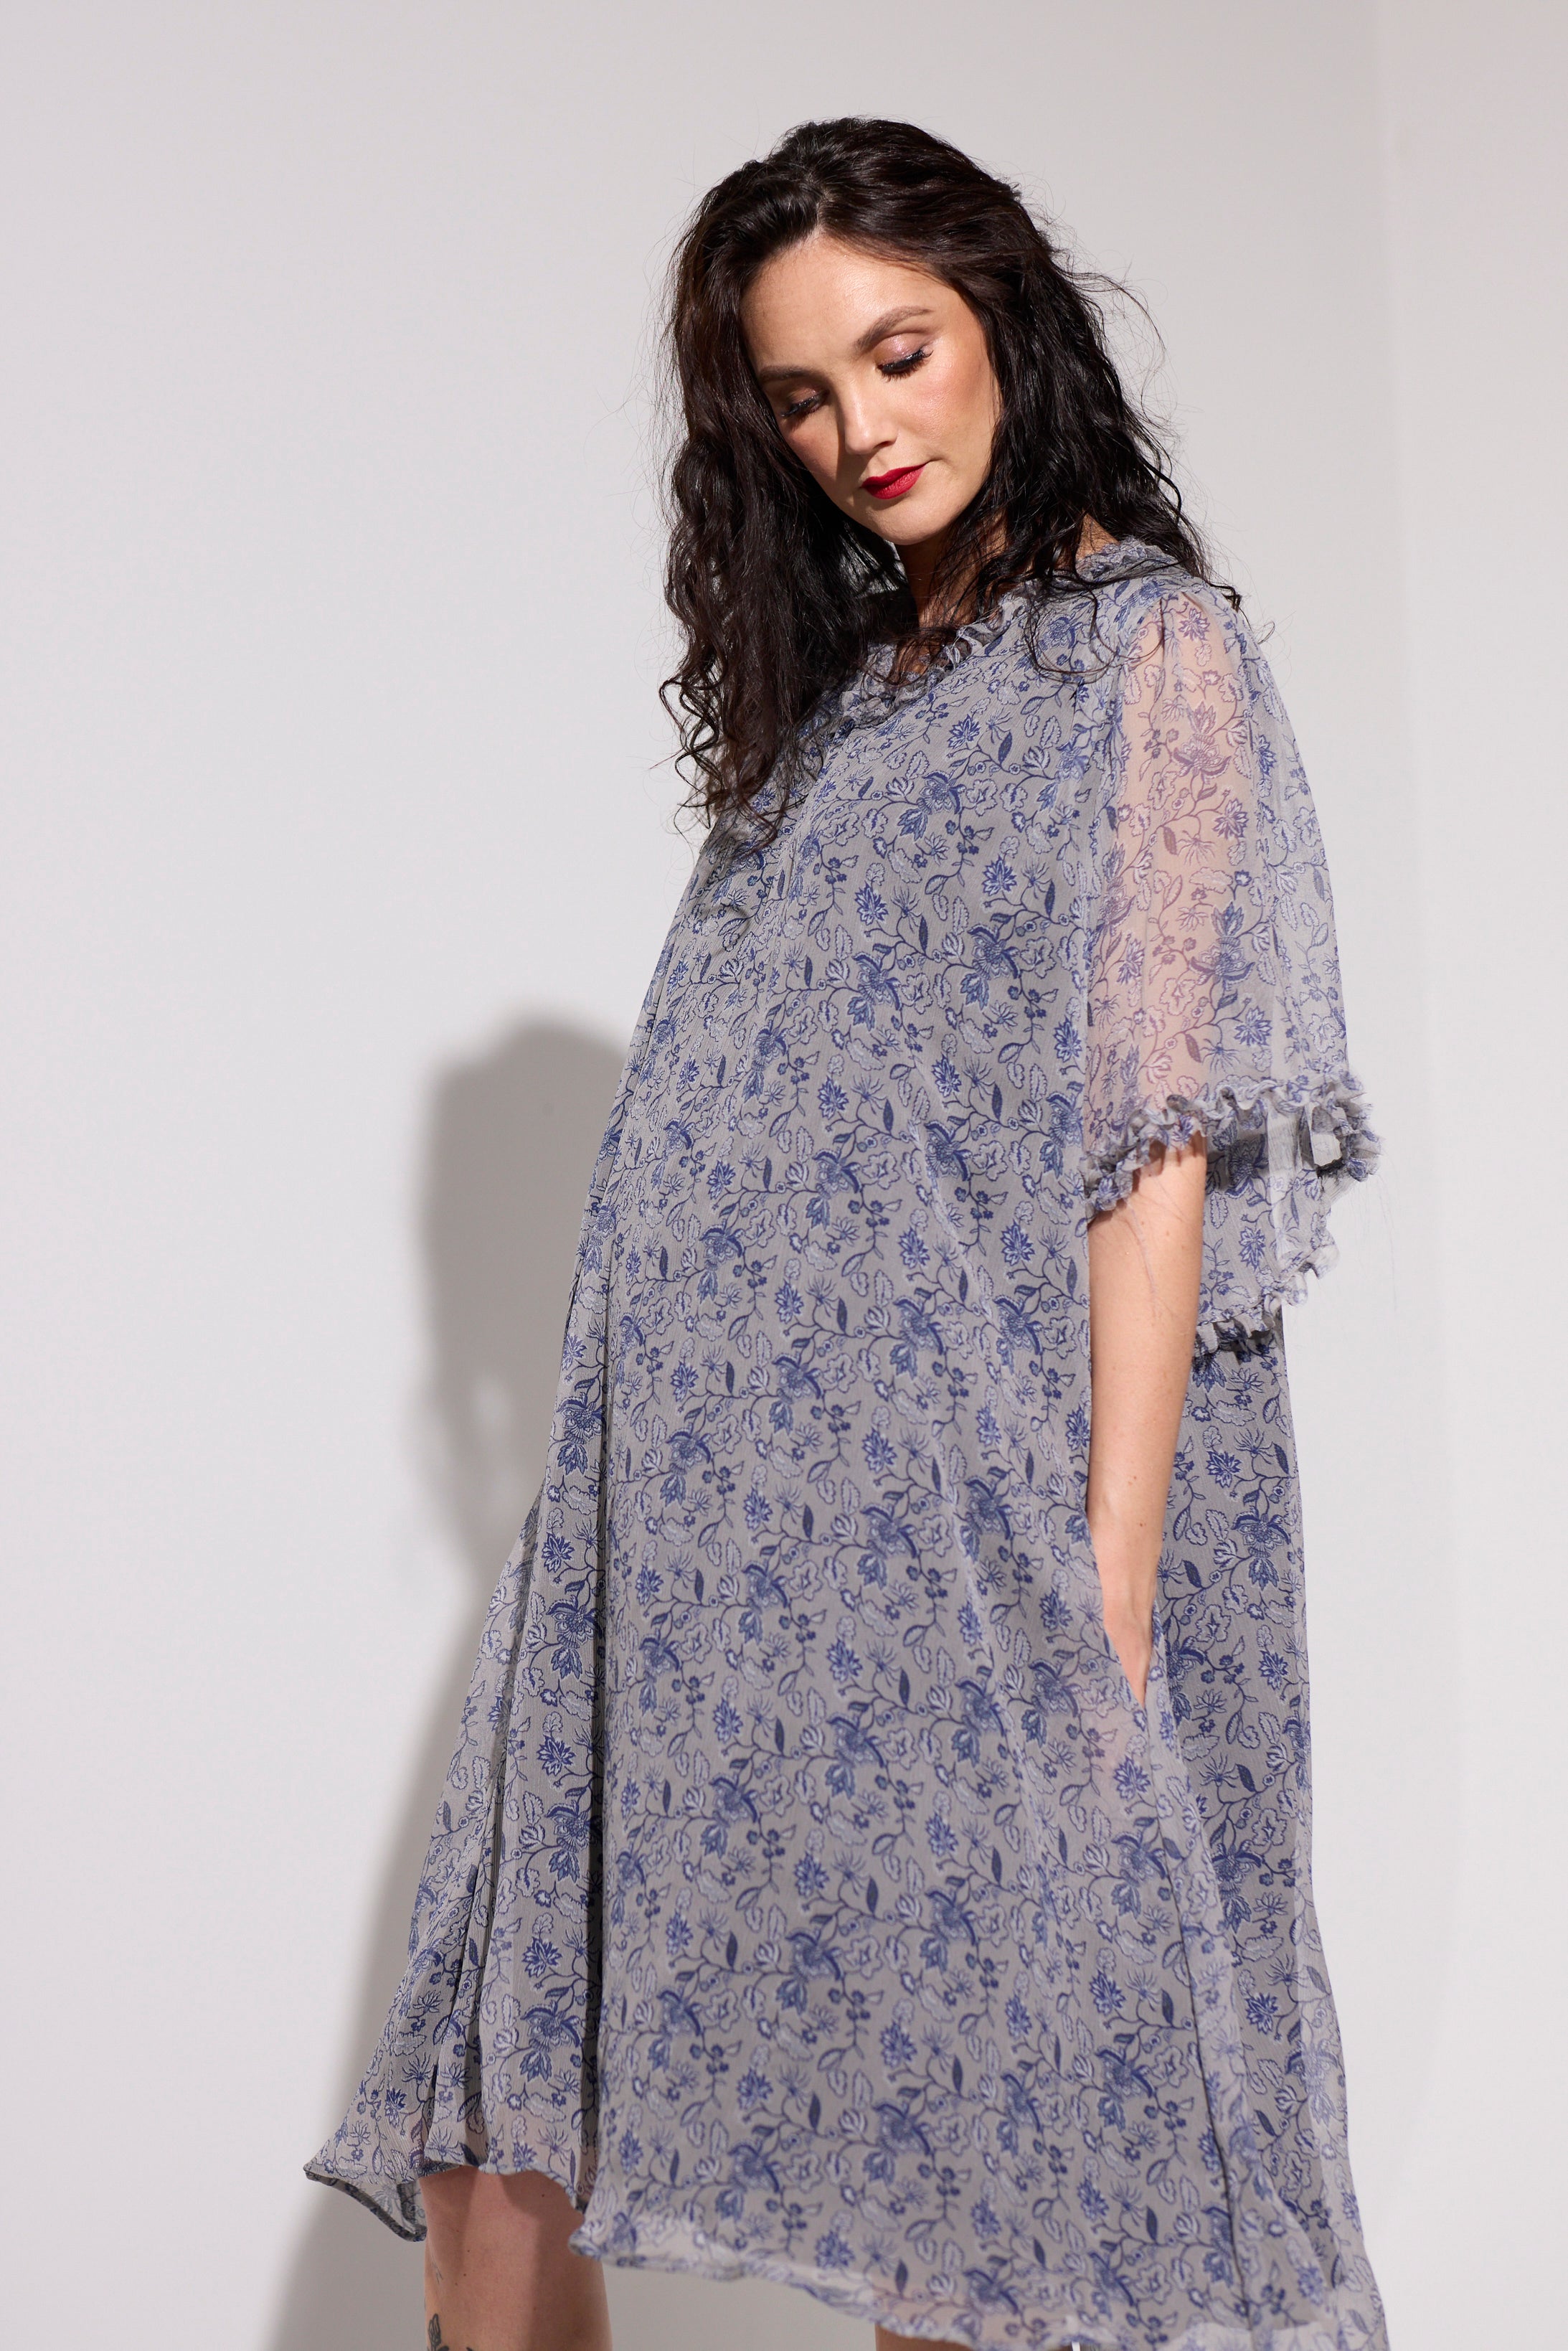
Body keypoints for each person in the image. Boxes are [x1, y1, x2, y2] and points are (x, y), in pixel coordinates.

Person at [308, 117, 1387, 2351]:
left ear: (1005, 320)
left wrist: (1100, 1591)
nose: (860, 431)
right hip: (691, 1501)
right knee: (497, 2126)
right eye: (800, 396)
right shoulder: (841, 707)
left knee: (980, 2174)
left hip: (985, 1505)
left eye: (897, 354)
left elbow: (1153, 1148)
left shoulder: (1147, 654)